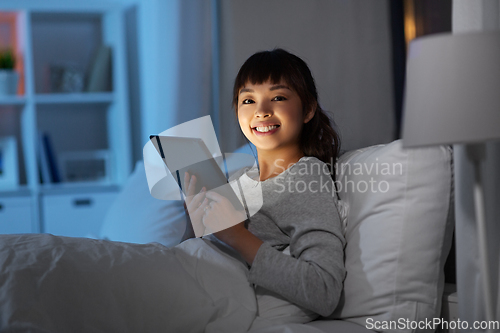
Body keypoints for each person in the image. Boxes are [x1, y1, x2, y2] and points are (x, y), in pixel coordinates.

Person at [183, 48, 345, 323]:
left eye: (278, 97)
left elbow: (324, 290)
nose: (261, 111)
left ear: (308, 109)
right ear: (237, 110)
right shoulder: (237, 179)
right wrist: (197, 224)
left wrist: (235, 235)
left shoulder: (305, 176)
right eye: (248, 100)